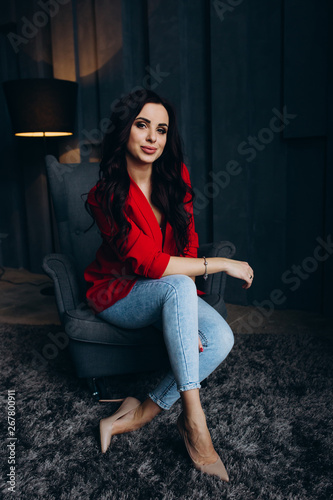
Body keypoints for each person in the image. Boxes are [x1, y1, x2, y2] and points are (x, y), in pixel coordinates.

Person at [84, 89, 254, 482]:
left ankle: (141, 412)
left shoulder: (174, 176)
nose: (152, 138)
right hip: (118, 293)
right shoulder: (104, 195)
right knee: (176, 283)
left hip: (169, 290)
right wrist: (223, 264)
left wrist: (187, 311)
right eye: (142, 126)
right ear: (125, 130)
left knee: (221, 339)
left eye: (161, 129)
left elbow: (188, 238)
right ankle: (195, 422)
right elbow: (146, 263)